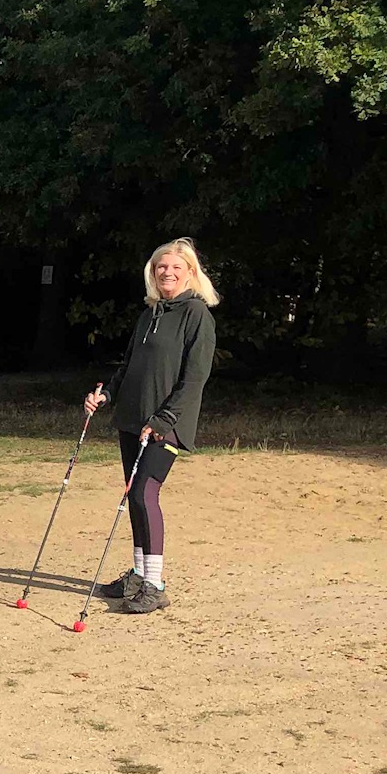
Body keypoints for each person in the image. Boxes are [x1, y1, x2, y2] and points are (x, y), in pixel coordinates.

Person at [83, 238, 219, 615]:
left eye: (176, 268)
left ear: (191, 273)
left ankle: (155, 585)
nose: (167, 273)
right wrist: (106, 394)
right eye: (161, 267)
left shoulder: (197, 315)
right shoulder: (150, 313)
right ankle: (140, 575)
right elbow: (128, 367)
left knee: (145, 494)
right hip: (132, 420)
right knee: (134, 497)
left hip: (166, 425)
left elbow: (194, 380)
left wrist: (164, 419)